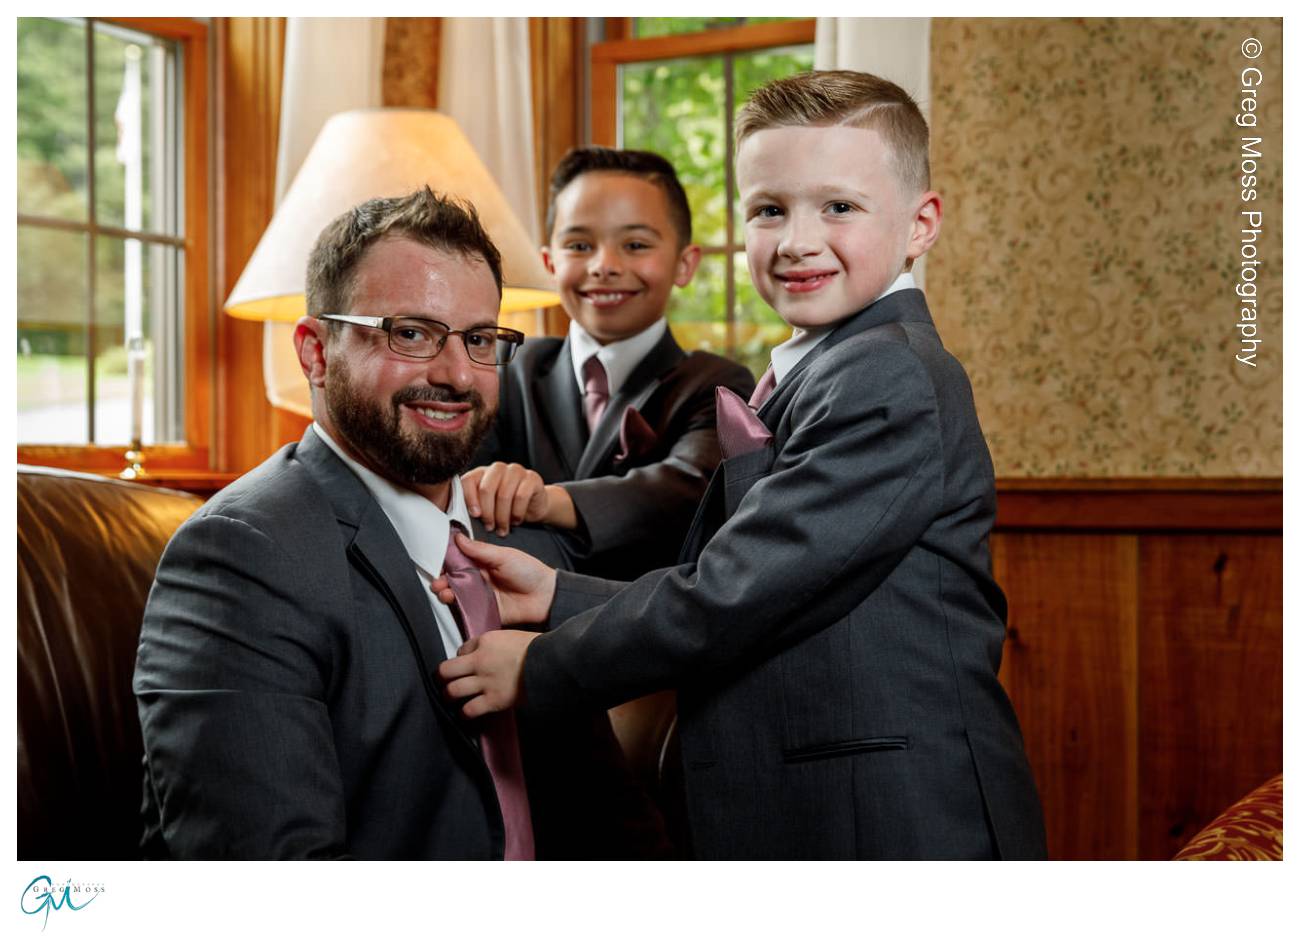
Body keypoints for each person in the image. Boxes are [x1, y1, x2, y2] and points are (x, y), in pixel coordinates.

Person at [437, 71, 1049, 859]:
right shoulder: (830, 366)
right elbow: (762, 585)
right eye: (769, 209)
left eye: (839, 206)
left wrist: (548, 663)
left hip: (892, 820)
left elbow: (740, 592)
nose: (797, 240)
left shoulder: (889, 376)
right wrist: (557, 592)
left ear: (920, 223)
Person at [134, 187, 667, 859]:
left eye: (477, 340)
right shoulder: (242, 556)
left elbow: (612, 825)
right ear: (316, 352)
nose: (455, 375)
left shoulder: (521, 539)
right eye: (410, 334)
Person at [464, 147, 755, 580]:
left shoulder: (716, 383)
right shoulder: (508, 369)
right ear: (550, 262)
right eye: (580, 245)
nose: (605, 266)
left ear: (684, 263)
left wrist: (543, 501)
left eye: (635, 245)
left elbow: (692, 491)